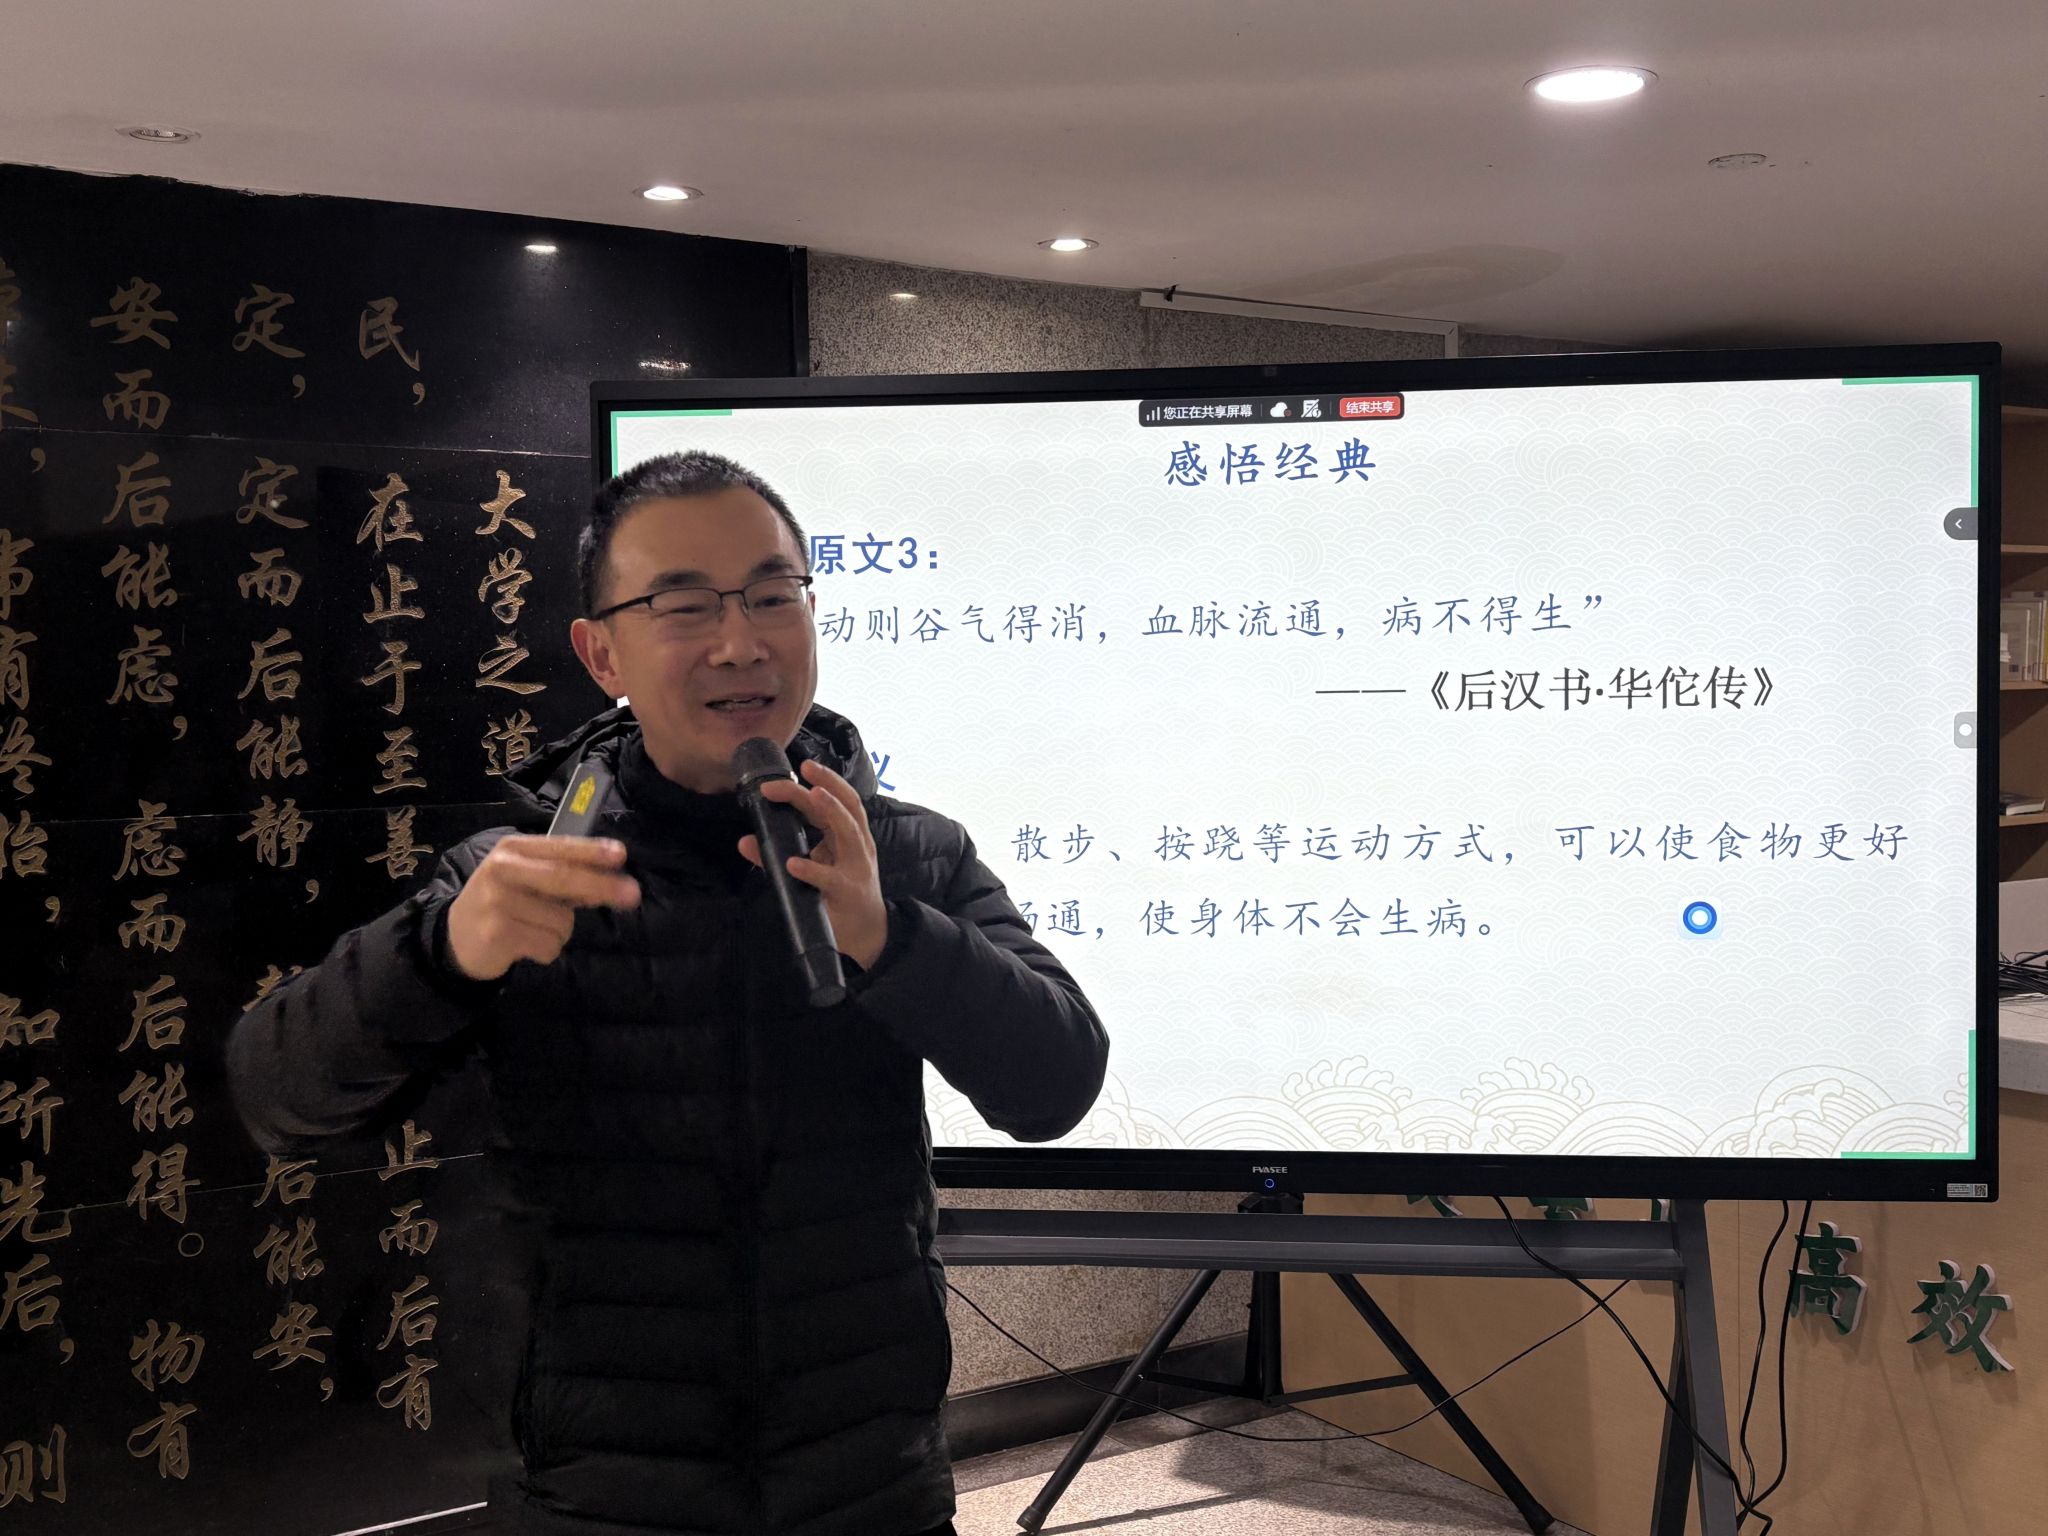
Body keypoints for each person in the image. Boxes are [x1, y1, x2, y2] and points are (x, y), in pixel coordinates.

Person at [226, 449, 1111, 1536]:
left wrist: (893, 939)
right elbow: (277, 1098)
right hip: (599, 1497)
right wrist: (438, 954)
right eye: (685, 606)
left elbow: (1058, 1084)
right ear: (601, 652)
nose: (742, 642)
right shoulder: (524, 876)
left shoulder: (906, 855)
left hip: (870, 1489)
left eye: (773, 595)